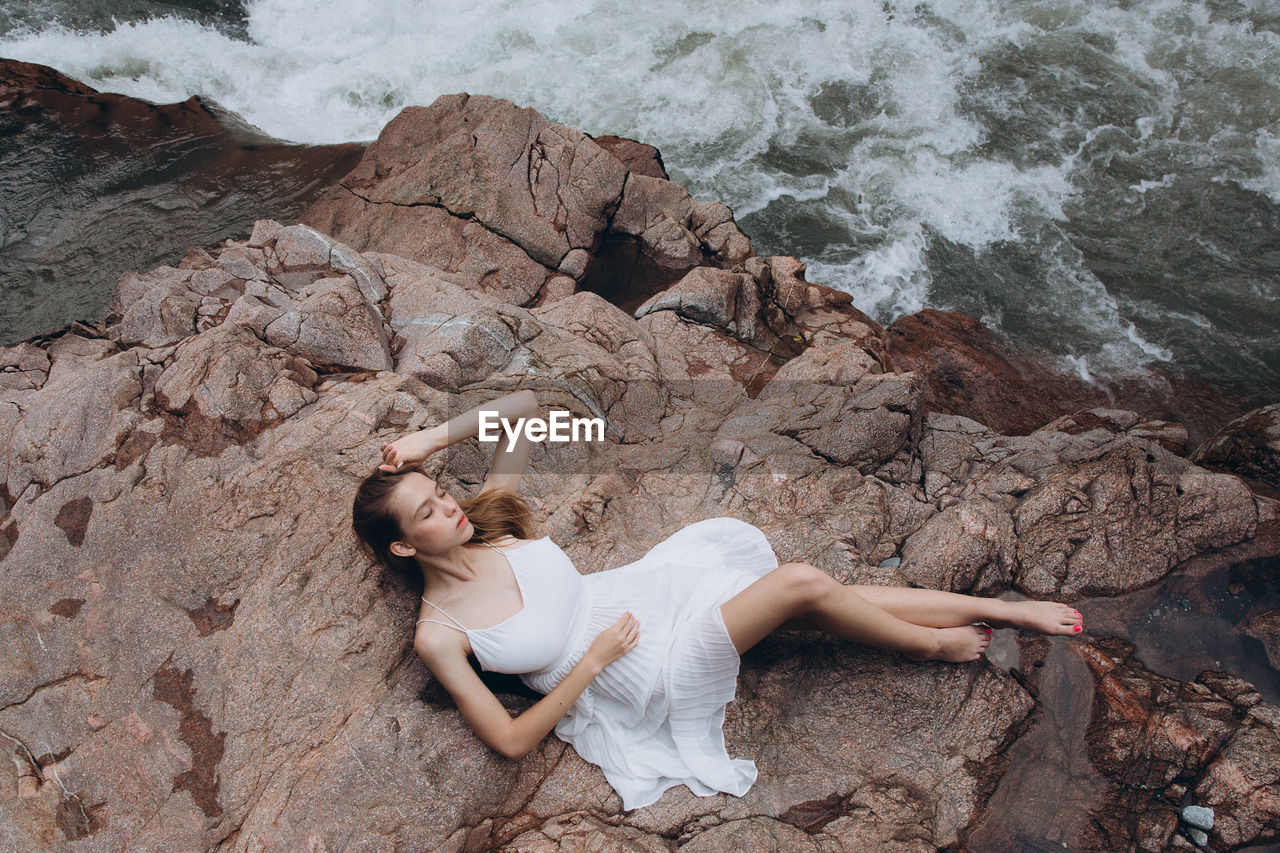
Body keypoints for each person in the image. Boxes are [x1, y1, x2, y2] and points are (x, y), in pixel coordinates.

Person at [350, 390, 1084, 810]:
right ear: (404, 548)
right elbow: (510, 742)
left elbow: (528, 411)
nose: (449, 508)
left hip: (648, 592)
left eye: (442, 492)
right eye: (427, 513)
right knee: (801, 584)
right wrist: (593, 663)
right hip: (637, 668)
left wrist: (425, 440)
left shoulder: (487, 523)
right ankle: (932, 642)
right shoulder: (438, 632)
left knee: (814, 594)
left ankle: (1007, 610)